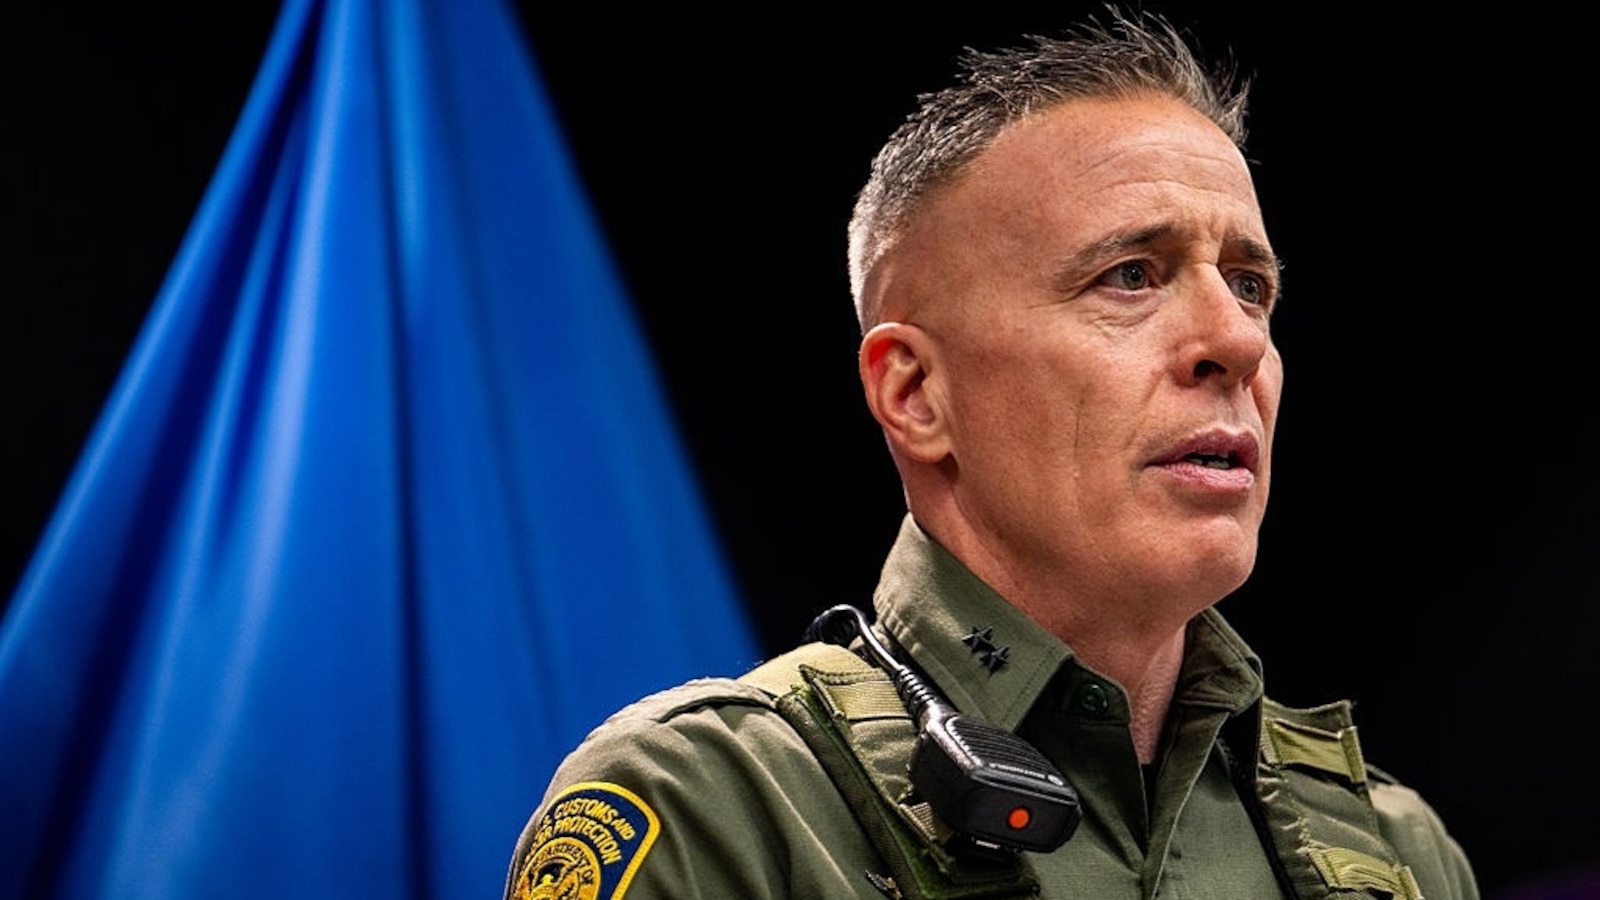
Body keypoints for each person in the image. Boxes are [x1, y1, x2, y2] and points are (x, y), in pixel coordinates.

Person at [503, 10, 1479, 899]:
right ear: (915, 395)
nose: (1236, 341)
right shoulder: (718, 811)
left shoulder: (1397, 854)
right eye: (1130, 276)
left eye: (1250, 285)